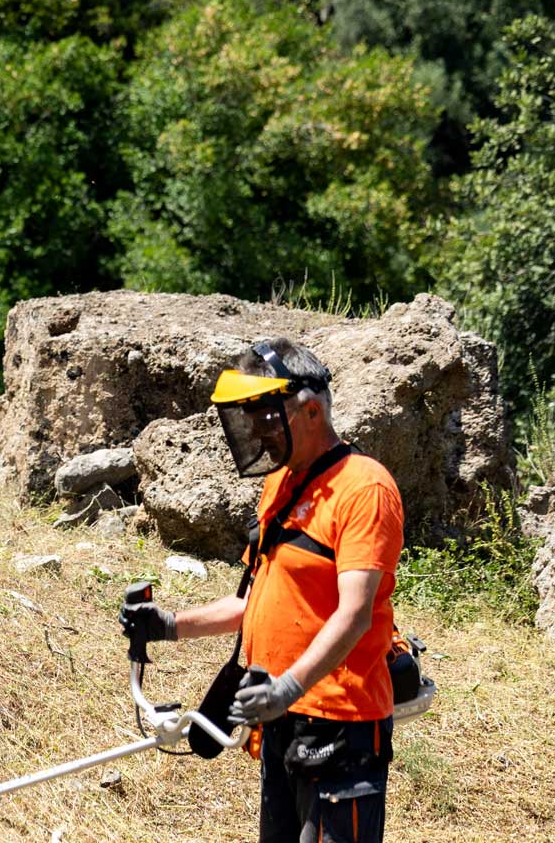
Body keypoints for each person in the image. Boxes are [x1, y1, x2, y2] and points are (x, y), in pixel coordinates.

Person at [120, 337, 405, 843]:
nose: (254, 430)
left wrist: (288, 687)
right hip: (281, 721)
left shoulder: (365, 488)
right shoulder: (282, 485)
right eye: (249, 418)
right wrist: (167, 625)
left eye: (265, 417)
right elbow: (251, 602)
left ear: (311, 411)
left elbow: (355, 614)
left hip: (341, 728)